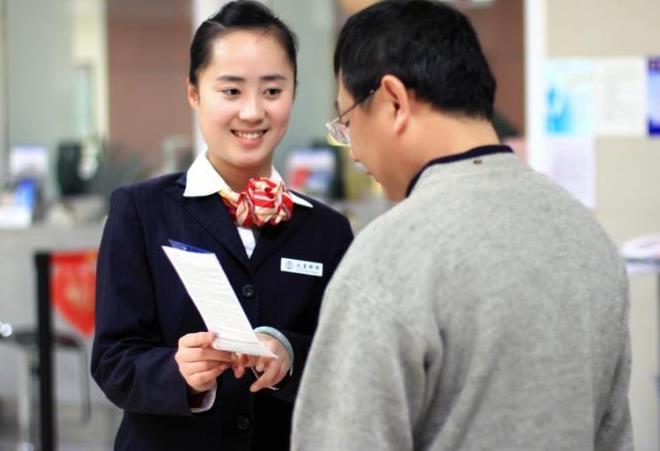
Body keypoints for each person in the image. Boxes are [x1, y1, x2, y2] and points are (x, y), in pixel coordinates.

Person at [291, 1, 632, 450]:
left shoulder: (389, 256)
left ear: (393, 101)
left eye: (348, 121)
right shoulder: (588, 238)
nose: (352, 151)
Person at [90, 2, 353, 450]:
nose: (252, 113)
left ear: (294, 91)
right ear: (193, 92)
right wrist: (179, 372)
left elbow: (347, 362)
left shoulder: (328, 230)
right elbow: (113, 360)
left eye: (272, 91)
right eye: (231, 91)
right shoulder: (141, 210)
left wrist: (290, 355)